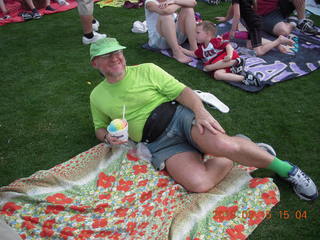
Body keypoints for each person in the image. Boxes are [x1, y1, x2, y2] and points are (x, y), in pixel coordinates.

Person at [89, 37, 318, 201]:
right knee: (199, 184)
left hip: (179, 117)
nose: (116, 58)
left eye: (118, 52)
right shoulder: (97, 95)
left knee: (221, 144)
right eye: (107, 56)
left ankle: (288, 170)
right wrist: (109, 137)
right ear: (95, 63)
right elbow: (99, 128)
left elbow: (183, 92)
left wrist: (201, 112)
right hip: (159, 143)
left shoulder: (146, 69)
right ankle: (246, 148)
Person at [181, 20, 261, 86]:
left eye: (198, 33)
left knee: (208, 68)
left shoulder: (214, 41)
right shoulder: (202, 48)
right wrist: (181, 49)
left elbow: (228, 45)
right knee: (217, 75)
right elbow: (194, 54)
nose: (195, 35)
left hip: (227, 59)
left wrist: (229, 55)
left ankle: (237, 62)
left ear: (208, 34)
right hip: (222, 66)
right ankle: (244, 78)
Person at [215, 0, 295, 56]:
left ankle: (279, 40)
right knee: (250, 45)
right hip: (254, 21)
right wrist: (227, 18)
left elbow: (237, 15)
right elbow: (254, 6)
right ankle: (277, 45)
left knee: (258, 52)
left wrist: (233, 29)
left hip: (253, 24)